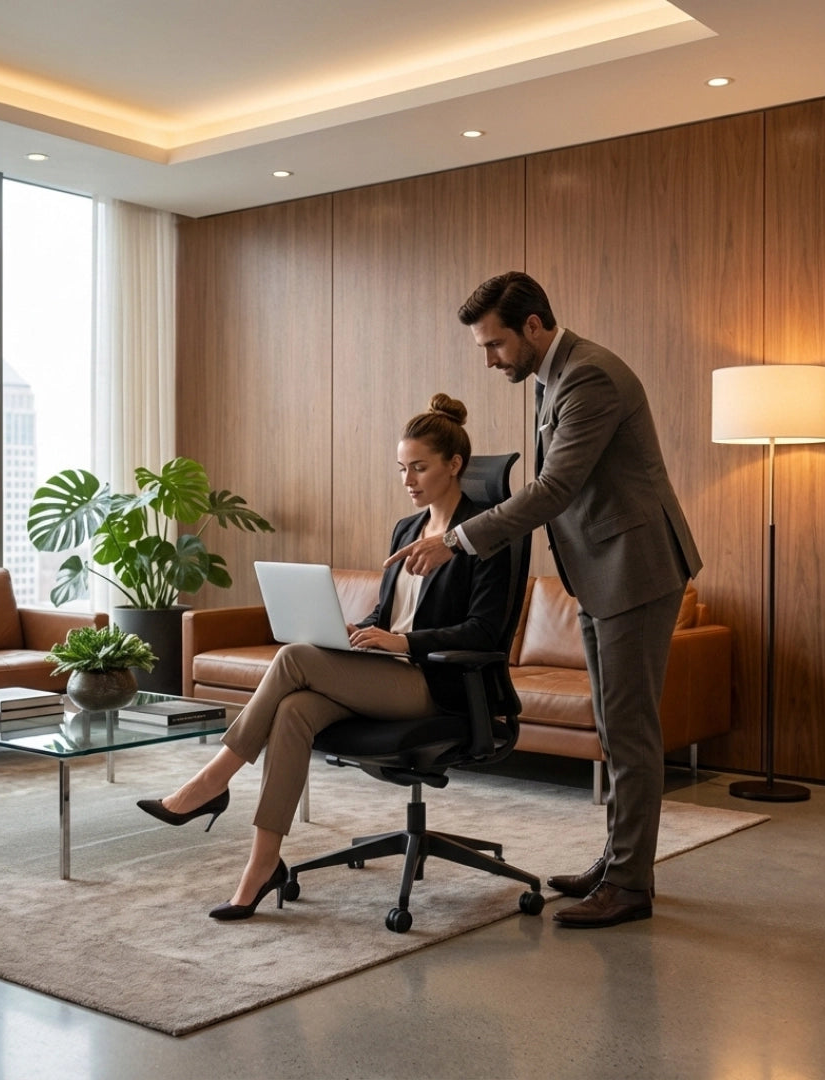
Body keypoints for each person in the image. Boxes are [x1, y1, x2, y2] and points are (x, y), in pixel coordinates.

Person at [387, 272, 702, 929]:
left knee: (630, 731)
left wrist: (457, 540)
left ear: (533, 326)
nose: (489, 359)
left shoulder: (590, 377)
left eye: (495, 344)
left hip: (635, 571)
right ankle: (619, 863)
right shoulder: (550, 376)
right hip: (599, 572)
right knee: (614, 728)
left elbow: (556, 488)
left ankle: (630, 886)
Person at [137, 393, 512, 921]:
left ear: (454, 465)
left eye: (419, 467)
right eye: (401, 469)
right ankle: (262, 866)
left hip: (437, 682)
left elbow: (484, 630)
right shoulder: (407, 529)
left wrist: (403, 643)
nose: (407, 480)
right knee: (294, 711)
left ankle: (211, 782)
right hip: (386, 674)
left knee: (294, 658)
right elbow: (390, 611)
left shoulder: (485, 535)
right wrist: (360, 630)